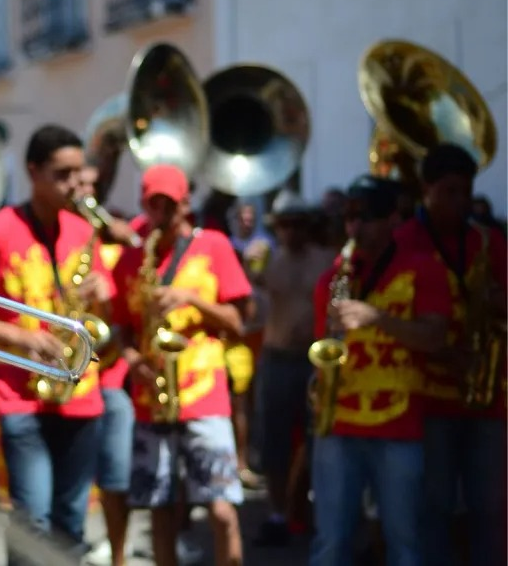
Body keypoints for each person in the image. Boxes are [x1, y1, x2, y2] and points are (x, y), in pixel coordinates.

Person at [0, 124, 112, 566]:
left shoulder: (84, 232)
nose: (74, 184)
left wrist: (104, 295)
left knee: (71, 525)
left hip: (82, 397)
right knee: (33, 523)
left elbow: (107, 324)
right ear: (33, 171)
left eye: (79, 172)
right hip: (21, 398)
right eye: (62, 173)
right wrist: (22, 337)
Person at [309, 175, 452, 566]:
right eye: (350, 218)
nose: (354, 227)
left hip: (398, 428)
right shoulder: (336, 276)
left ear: (393, 218)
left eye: (366, 217)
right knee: (330, 544)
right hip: (338, 424)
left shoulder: (424, 270)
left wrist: (378, 319)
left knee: (405, 545)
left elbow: (435, 338)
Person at [111, 164, 249, 566]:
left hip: (204, 393)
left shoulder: (216, 246)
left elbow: (240, 321)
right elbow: (120, 326)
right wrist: (132, 357)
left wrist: (192, 297)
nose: (161, 212)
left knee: (221, 510)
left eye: (168, 203)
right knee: (160, 509)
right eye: (153, 203)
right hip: (151, 395)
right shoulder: (133, 258)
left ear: (186, 203)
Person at [395, 144, 508, 566]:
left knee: (491, 508)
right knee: (435, 507)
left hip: (485, 397)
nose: (460, 203)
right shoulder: (404, 239)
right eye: (449, 192)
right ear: (426, 189)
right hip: (428, 397)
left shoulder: (486, 239)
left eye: (466, 192)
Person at [251, 191, 335, 546]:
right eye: (285, 224)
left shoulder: (326, 260)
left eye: (298, 224)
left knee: (320, 438)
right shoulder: (268, 261)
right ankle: (277, 512)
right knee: (276, 439)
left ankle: (309, 509)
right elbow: (248, 290)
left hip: (314, 360)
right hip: (278, 357)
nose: (291, 231)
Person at [74, 164, 134, 566]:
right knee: (72, 484)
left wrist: (106, 301)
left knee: (115, 479)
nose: (85, 194)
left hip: (108, 378)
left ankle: (118, 557)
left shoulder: (115, 247)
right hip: (69, 379)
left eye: (92, 187)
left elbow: (122, 324)